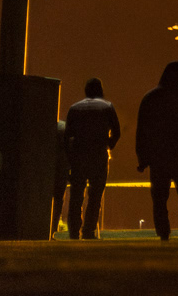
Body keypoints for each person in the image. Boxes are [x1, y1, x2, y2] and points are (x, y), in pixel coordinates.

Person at [135, 61, 178, 241]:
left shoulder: (150, 98)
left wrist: (142, 158)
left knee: (159, 197)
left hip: (158, 155)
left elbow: (141, 130)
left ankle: (163, 231)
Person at [64, 77, 121, 241]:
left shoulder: (74, 108)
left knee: (76, 195)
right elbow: (117, 131)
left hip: (79, 155)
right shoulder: (107, 106)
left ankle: (73, 232)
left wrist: (70, 158)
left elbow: (67, 136)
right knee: (95, 196)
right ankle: (88, 231)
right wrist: (109, 145)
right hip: (98, 154)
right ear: (100, 90)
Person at [51, 118, 70, 239]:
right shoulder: (65, 128)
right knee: (58, 199)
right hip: (62, 169)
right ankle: (52, 230)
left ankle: (47, 229)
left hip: (50, 168)